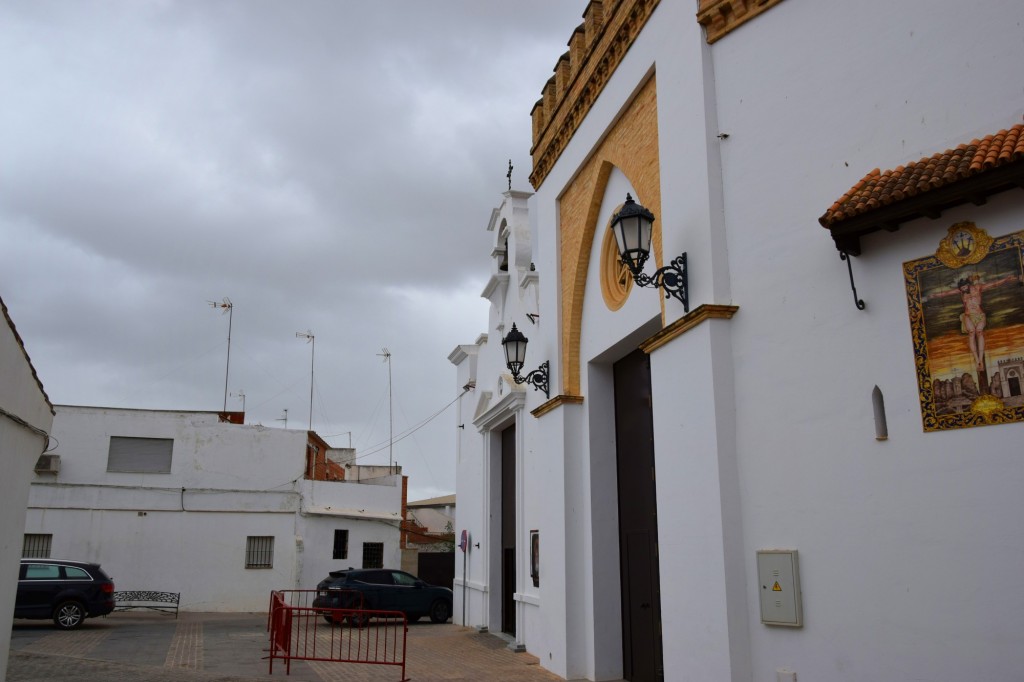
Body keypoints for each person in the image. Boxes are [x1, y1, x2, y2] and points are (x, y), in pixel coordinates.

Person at [930, 271, 1022, 370]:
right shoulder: (962, 292)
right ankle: (977, 360)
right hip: (968, 316)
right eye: (962, 289)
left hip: (979, 315)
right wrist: (935, 295)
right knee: (971, 332)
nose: (964, 290)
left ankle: (980, 359)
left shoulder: (978, 287)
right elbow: (947, 293)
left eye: (965, 288)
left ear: (968, 285)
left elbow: (994, 284)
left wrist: (1006, 279)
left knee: (979, 332)